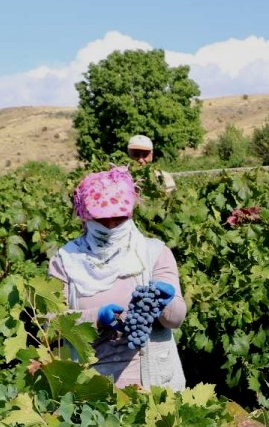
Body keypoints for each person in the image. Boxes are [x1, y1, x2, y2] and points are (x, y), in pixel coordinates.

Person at [48, 166, 188, 389]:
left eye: (119, 218)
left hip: (155, 386)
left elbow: (176, 319)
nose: (111, 227)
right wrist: (95, 318)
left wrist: (166, 303)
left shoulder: (153, 253)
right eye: (102, 220)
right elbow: (49, 325)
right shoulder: (66, 261)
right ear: (85, 217)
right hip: (90, 388)